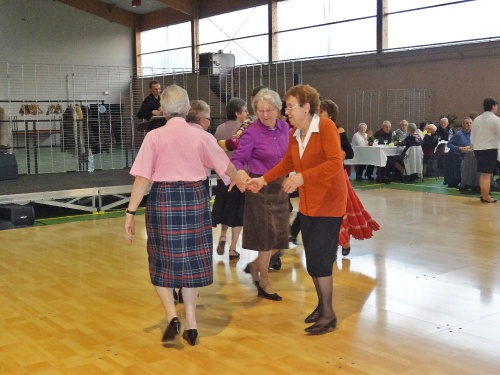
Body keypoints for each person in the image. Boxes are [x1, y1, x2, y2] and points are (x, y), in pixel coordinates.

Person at [124, 84, 245, 346]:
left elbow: (143, 179)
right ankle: (191, 322)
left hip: (163, 201)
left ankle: (171, 316)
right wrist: (245, 182)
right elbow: (227, 168)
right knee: (192, 261)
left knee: (161, 260)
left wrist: (130, 212)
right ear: (188, 109)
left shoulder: (154, 137)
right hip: (195, 200)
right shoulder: (202, 136)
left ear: (163, 111)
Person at [248, 84, 347, 335]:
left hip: (329, 202)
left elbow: (336, 163)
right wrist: (263, 179)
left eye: (290, 106)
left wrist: (303, 177)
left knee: (319, 260)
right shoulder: (295, 133)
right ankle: (322, 305)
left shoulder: (325, 127)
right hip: (310, 203)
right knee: (313, 256)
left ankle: (329, 314)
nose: (286, 110)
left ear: (306, 107)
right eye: (287, 105)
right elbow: (287, 163)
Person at [231, 88, 290, 301]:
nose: (264, 114)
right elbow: (238, 159)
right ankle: (264, 282)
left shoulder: (285, 128)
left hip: (281, 187)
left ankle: (256, 266)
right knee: (266, 238)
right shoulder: (251, 132)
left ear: (278, 109)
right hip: (259, 188)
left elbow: (292, 156)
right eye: (260, 110)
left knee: (281, 236)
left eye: (269, 110)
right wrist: (241, 176)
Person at [318, 100, 379, 257]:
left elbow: (349, 153)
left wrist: (335, 155)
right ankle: (331, 244)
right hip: (321, 177)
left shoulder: (338, 130)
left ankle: (343, 241)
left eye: (321, 111)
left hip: (337, 176)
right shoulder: (315, 130)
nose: (318, 114)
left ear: (330, 114)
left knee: (340, 210)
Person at [211, 97, 248, 260]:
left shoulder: (219, 128)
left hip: (222, 177)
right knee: (239, 214)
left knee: (225, 210)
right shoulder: (245, 129)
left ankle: (223, 236)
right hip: (240, 178)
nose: (247, 113)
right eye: (245, 110)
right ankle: (233, 249)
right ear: (237, 113)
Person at [470, 98, 500, 203]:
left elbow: (472, 135)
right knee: (487, 174)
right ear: (493, 106)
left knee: (484, 174)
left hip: (478, 149)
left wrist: (473, 147)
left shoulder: (477, 119)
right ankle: (486, 196)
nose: (497, 108)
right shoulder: (495, 119)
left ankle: (484, 195)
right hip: (489, 149)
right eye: (496, 106)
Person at [444, 117, 472, 188]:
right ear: (463, 125)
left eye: (470, 123)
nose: (469, 125)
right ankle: (457, 181)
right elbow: (449, 144)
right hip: (457, 154)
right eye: (467, 123)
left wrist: (468, 147)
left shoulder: (472, 134)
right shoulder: (458, 134)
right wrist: (459, 148)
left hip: (468, 154)